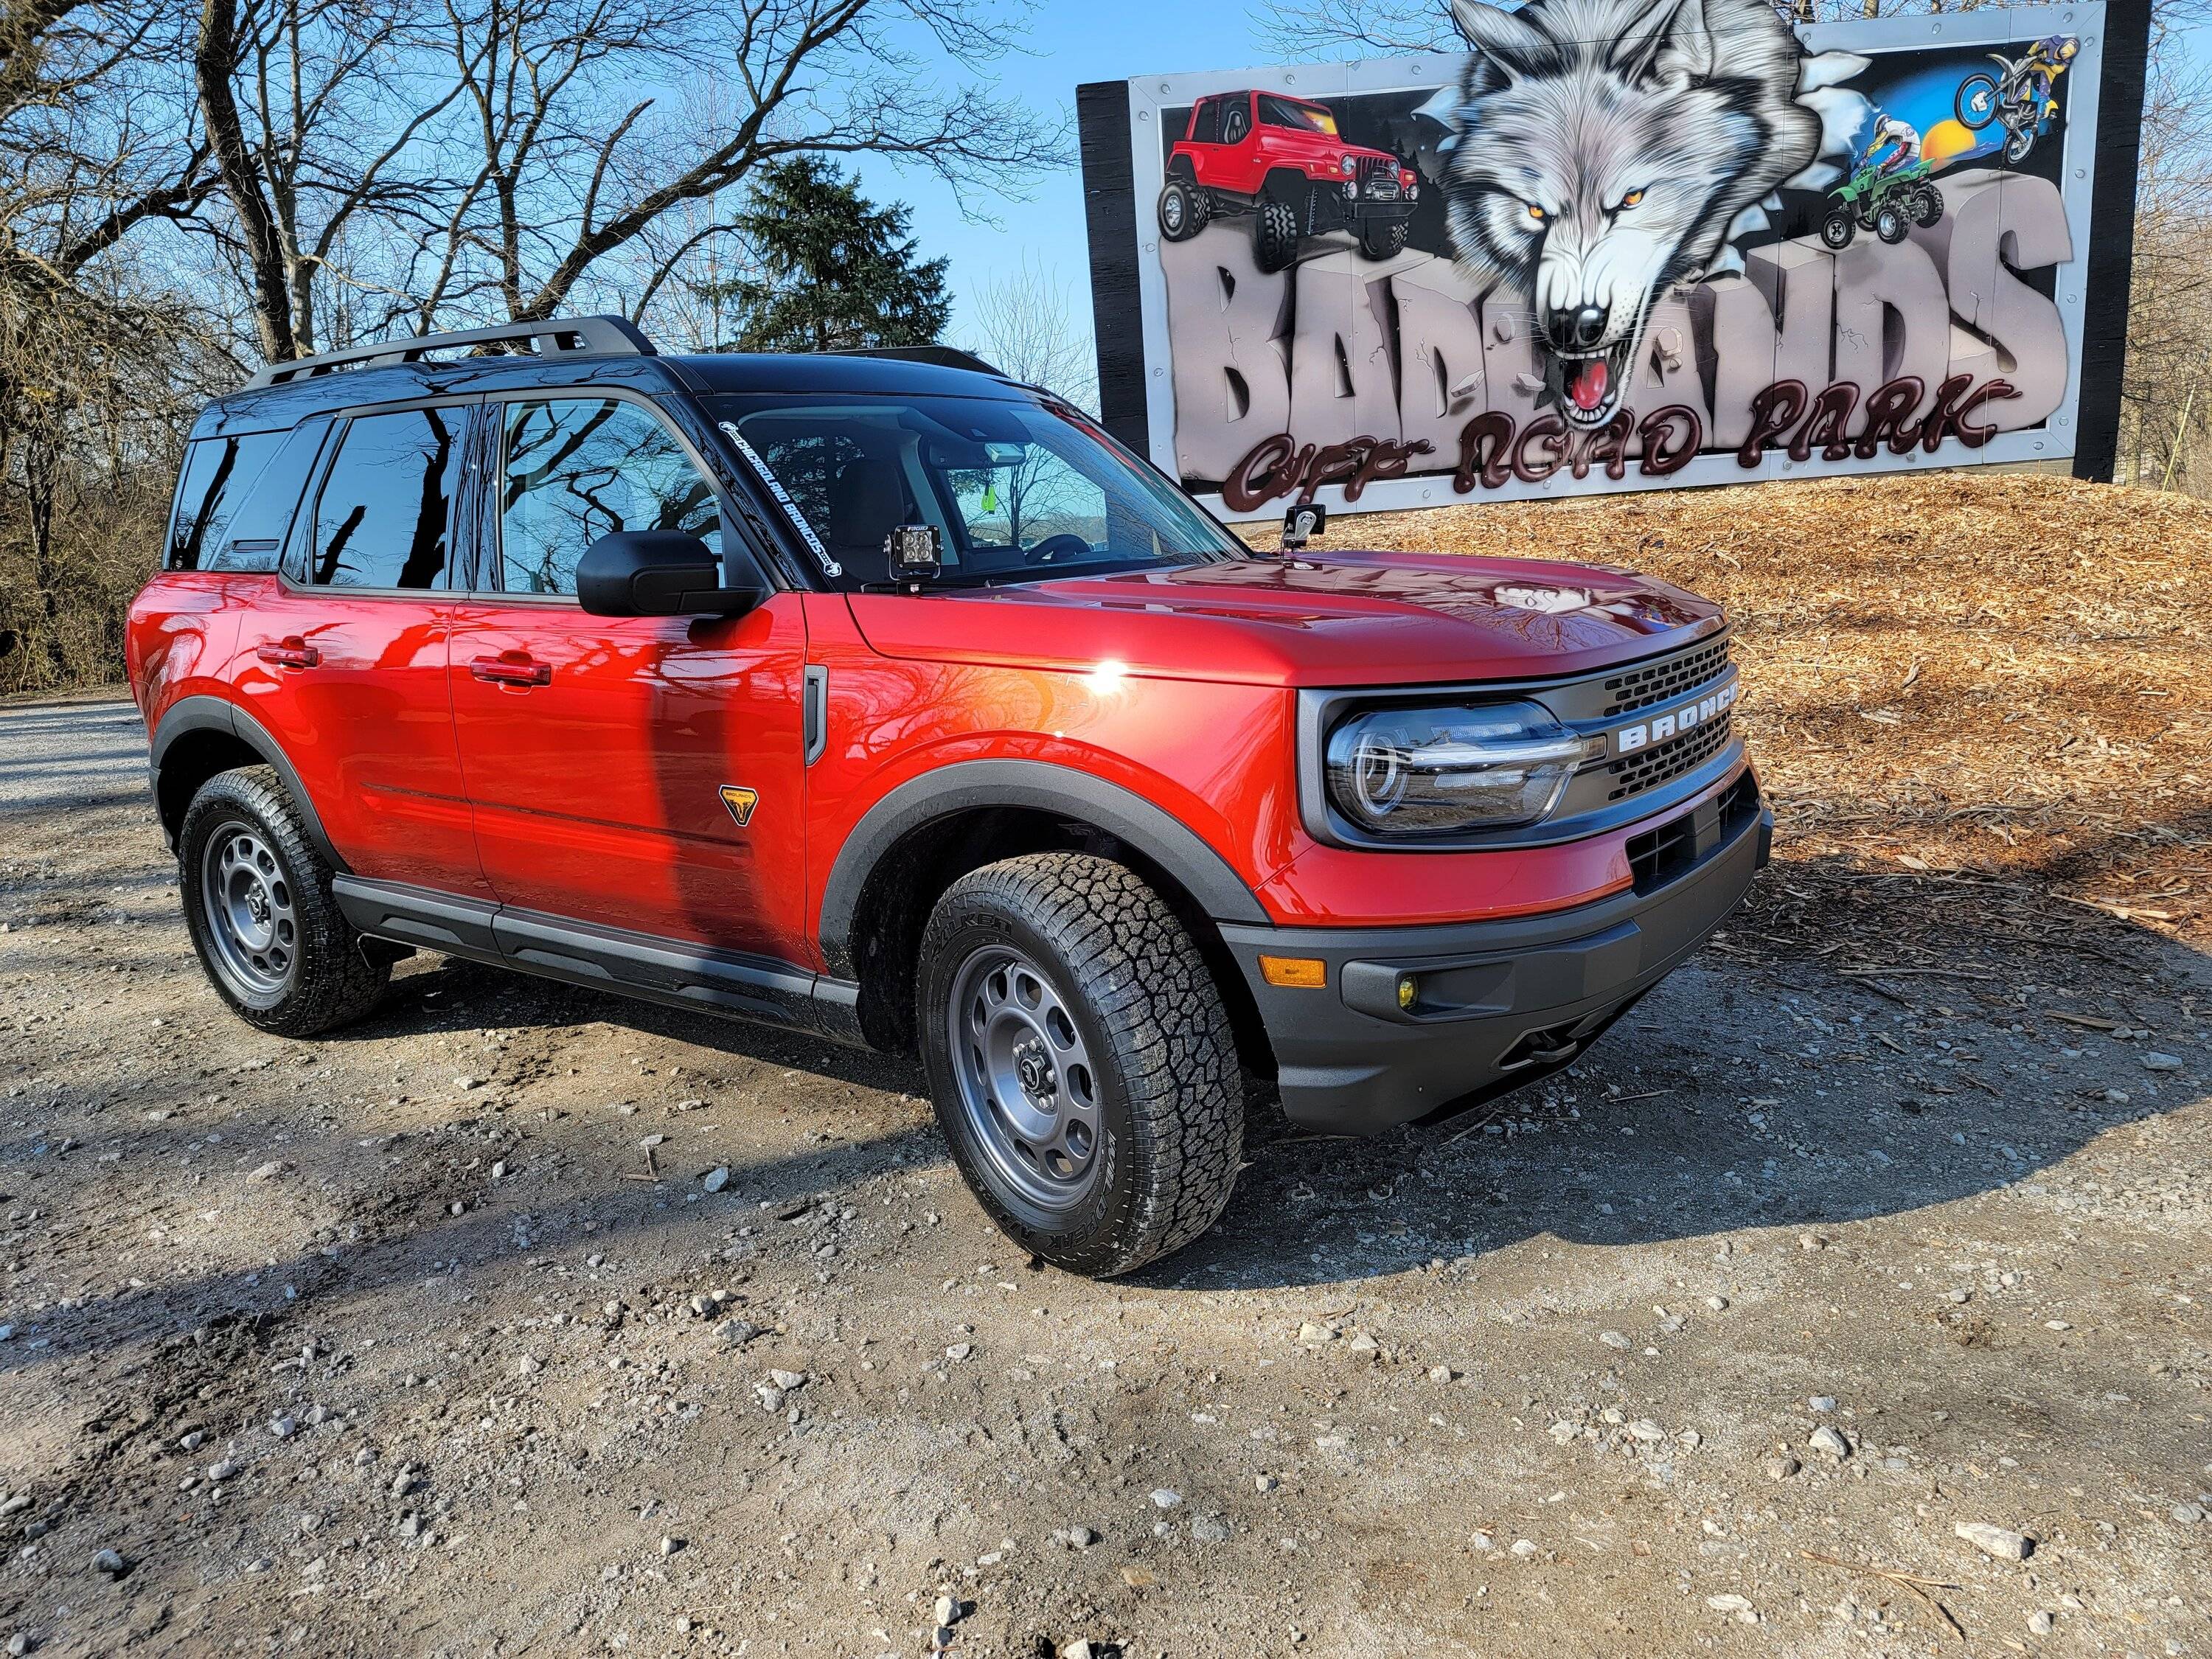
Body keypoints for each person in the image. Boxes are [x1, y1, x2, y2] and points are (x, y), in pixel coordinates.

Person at [2021, 35, 2078, 120]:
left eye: (2070, 52)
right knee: (2022, 67)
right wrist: (2029, 54)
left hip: (2048, 74)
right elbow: (2037, 45)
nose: (2067, 52)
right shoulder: (2053, 43)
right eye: (2068, 49)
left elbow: (2059, 70)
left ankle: (2037, 118)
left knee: (2044, 91)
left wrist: (2052, 64)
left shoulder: (2066, 61)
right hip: (2036, 64)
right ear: (2064, 44)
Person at [1861, 110, 1921, 177]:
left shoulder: (1887, 127)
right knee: (1889, 170)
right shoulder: (1897, 124)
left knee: (1883, 170)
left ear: (1880, 126)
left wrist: (1866, 157)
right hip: (1915, 151)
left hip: (1907, 147)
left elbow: (1877, 144)